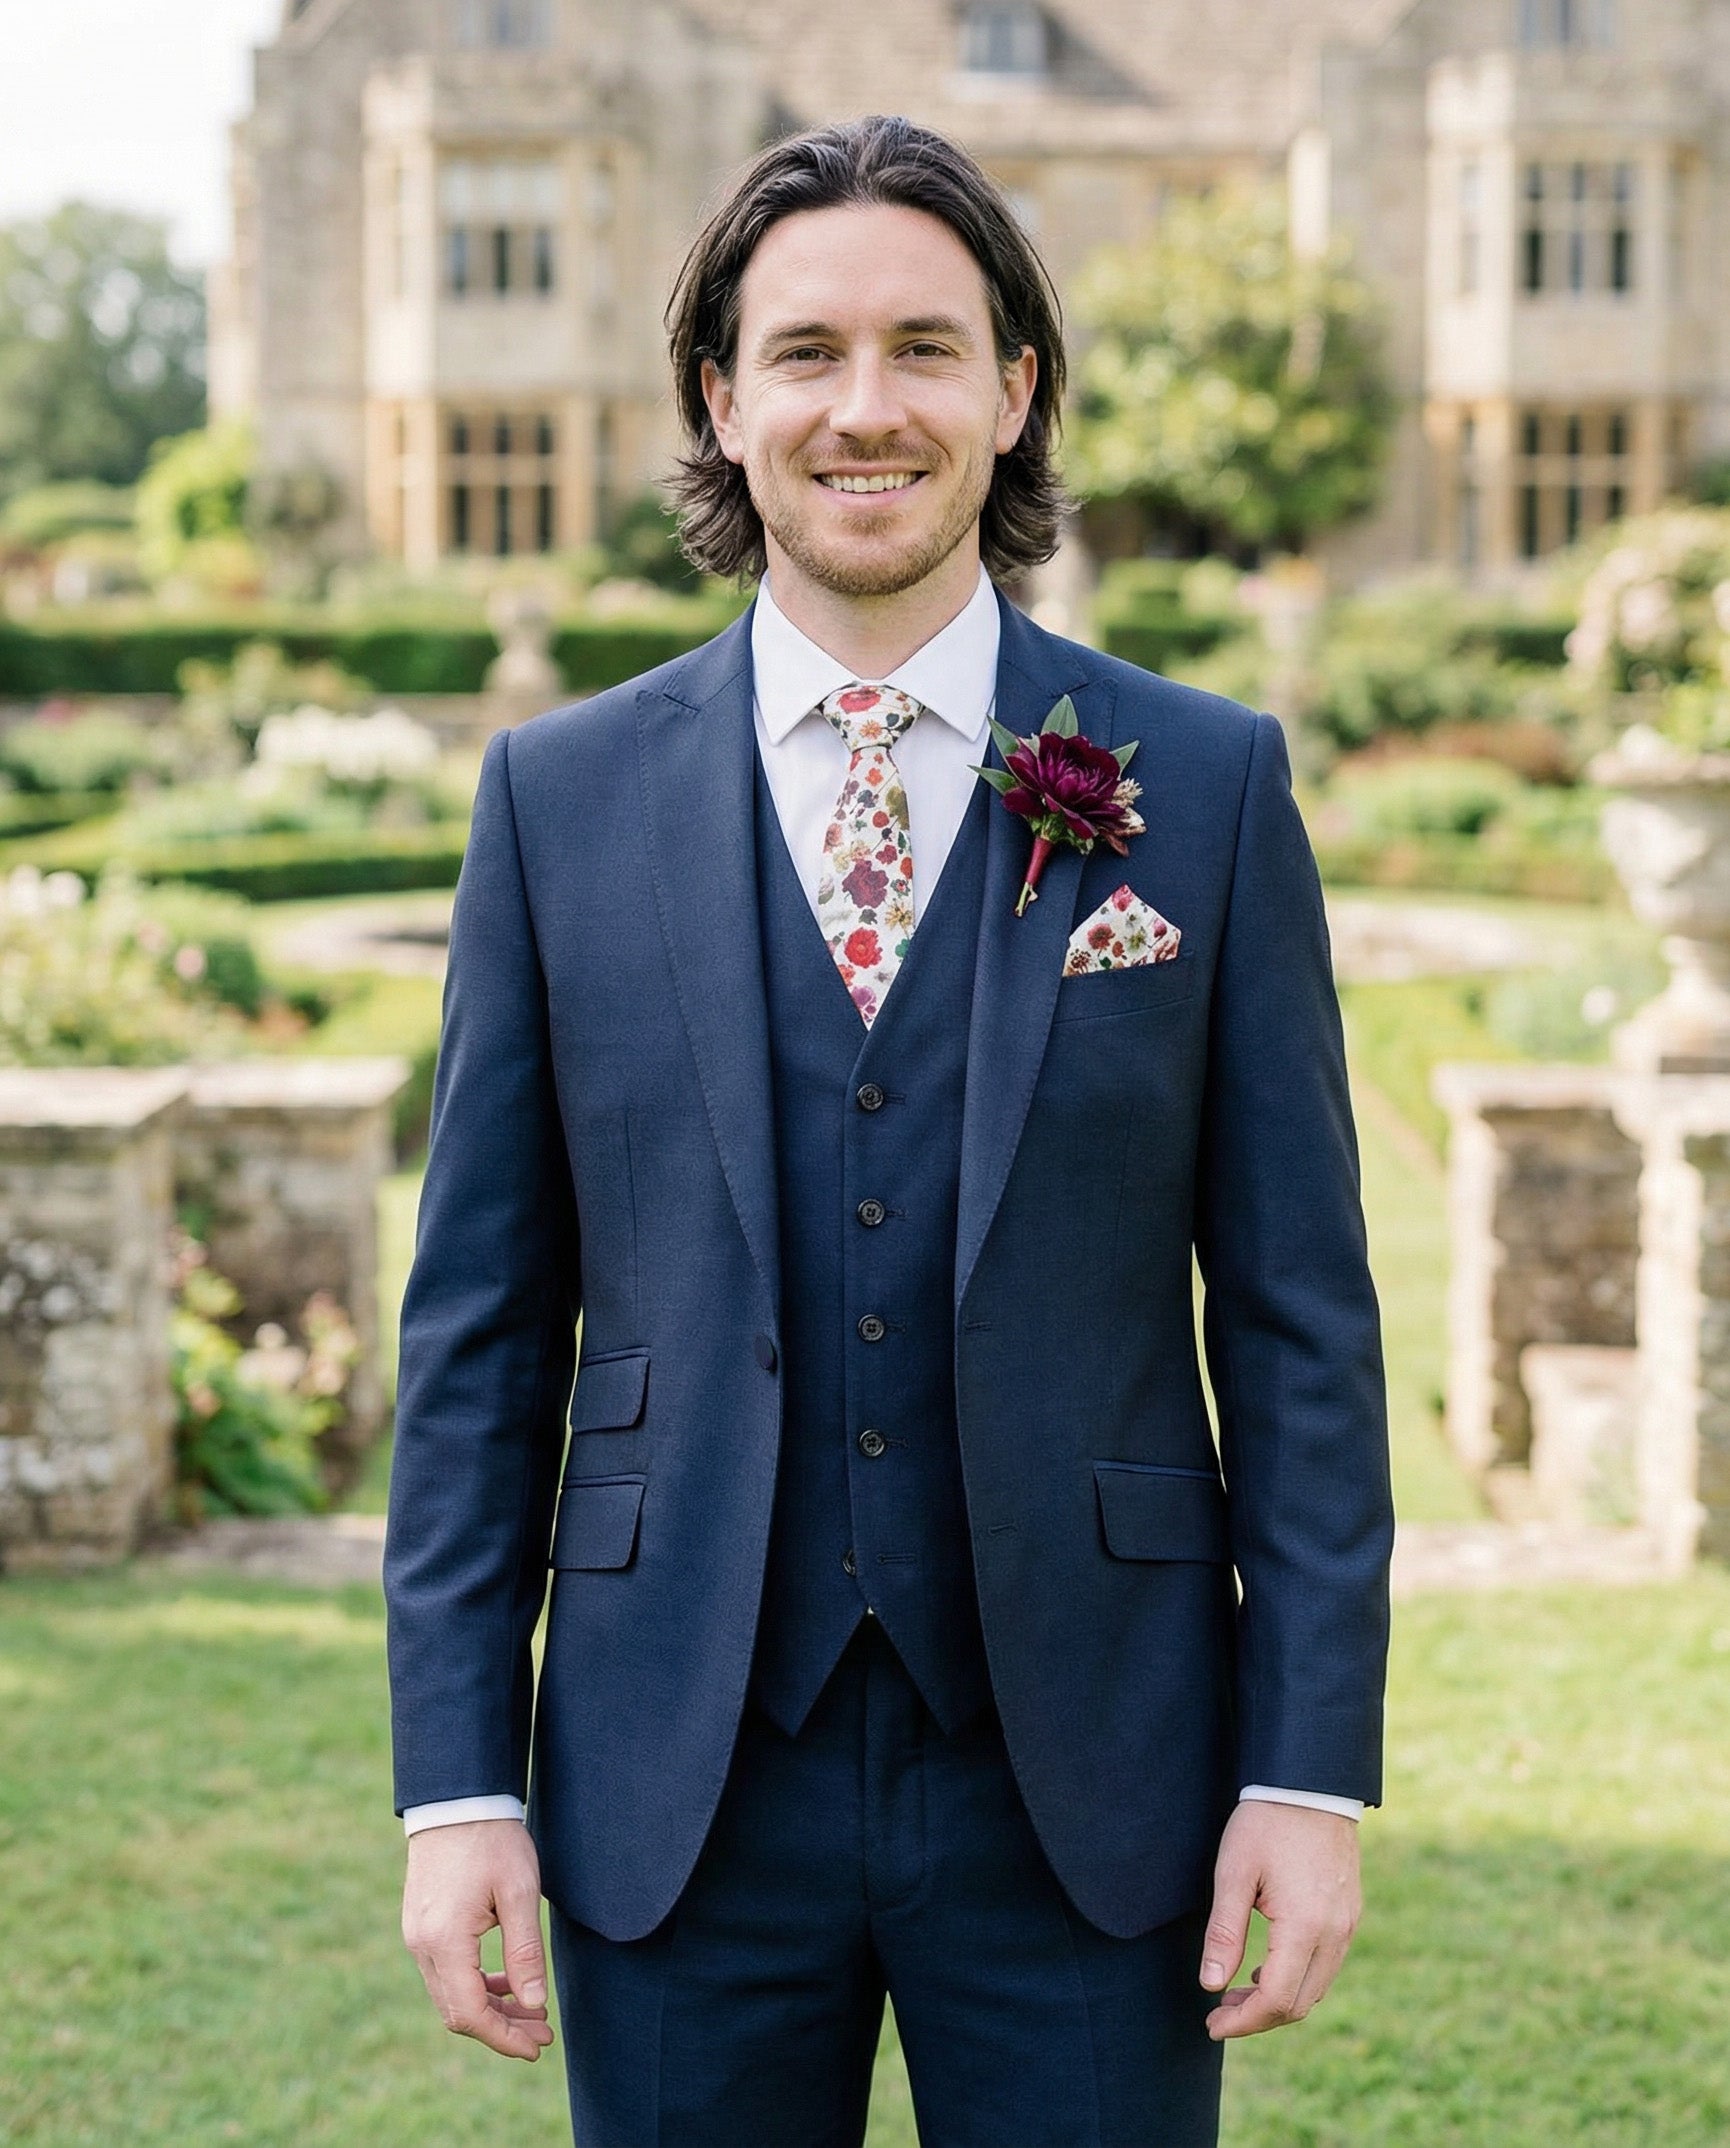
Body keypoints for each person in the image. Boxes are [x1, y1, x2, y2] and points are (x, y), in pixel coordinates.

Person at [384, 113, 1393, 2148]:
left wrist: (1306, 1771)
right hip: (675, 1777)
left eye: (927, 349)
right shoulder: (553, 803)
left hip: (1098, 1782)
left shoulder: (1194, 785)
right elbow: (480, 1340)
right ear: (720, 398)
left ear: (1013, 395)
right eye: (809, 352)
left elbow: (1299, 1323)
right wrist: (459, 1784)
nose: (868, 408)